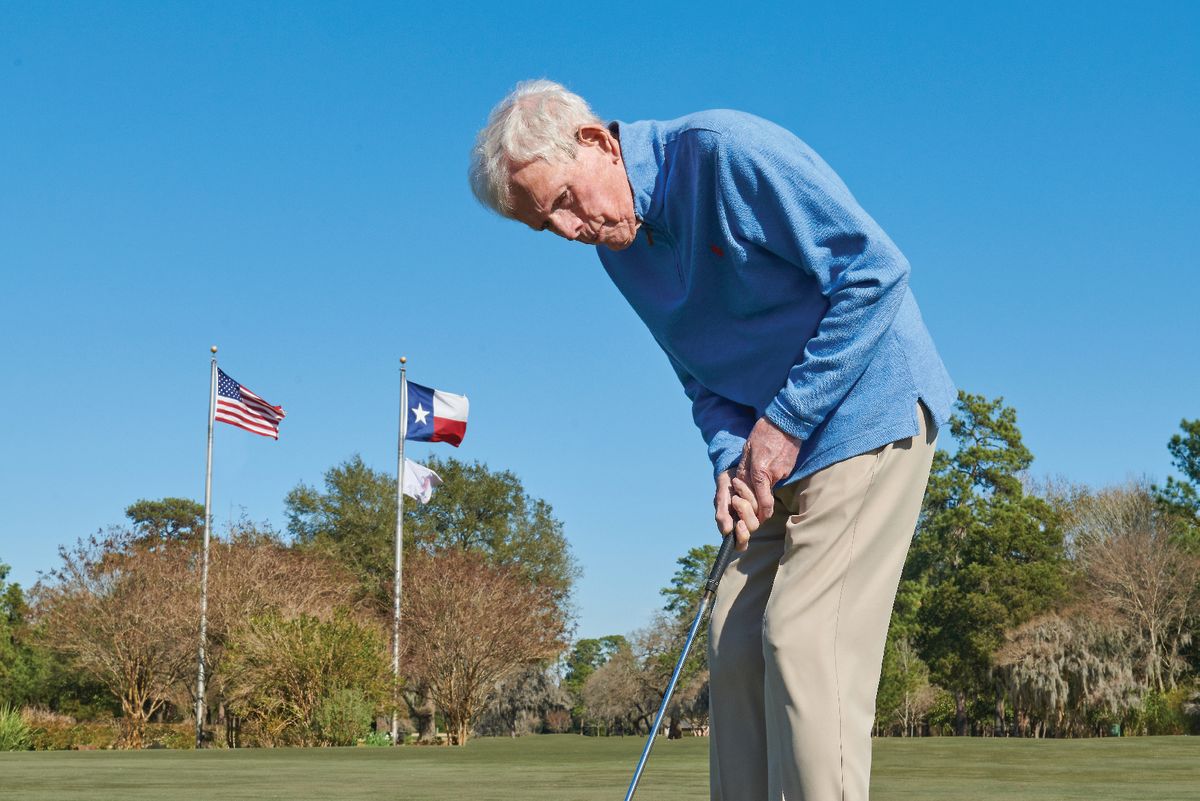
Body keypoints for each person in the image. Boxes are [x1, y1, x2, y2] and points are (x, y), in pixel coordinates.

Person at [469, 79, 955, 801]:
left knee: (801, 639)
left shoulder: (725, 153)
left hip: (866, 410)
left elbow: (877, 274)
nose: (571, 230)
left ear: (597, 142)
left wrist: (784, 424)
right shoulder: (618, 251)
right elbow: (700, 373)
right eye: (548, 226)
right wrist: (730, 460)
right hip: (769, 447)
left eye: (566, 200)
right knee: (732, 643)